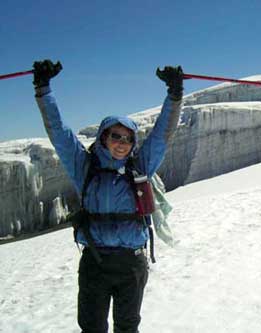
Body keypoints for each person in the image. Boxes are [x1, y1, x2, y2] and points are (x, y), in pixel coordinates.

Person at [33, 59, 183, 333]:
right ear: (103, 137)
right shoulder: (85, 166)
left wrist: (175, 95)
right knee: (92, 328)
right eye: (115, 136)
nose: (121, 143)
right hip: (95, 263)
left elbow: (163, 135)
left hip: (131, 264)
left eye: (127, 139)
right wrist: (44, 90)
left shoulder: (140, 166)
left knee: (127, 327)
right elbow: (60, 135)